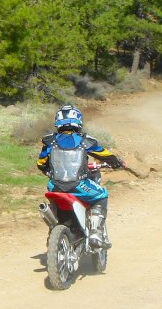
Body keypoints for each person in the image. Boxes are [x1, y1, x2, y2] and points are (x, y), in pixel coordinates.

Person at [36, 104, 124, 249]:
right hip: (78, 186)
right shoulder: (84, 140)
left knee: (53, 204)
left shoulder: (49, 141)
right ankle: (95, 232)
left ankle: (53, 230)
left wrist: (48, 171)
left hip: (55, 186)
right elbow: (103, 154)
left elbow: (41, 163)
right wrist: (116, 162)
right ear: (78, 120)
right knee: (102, 195)